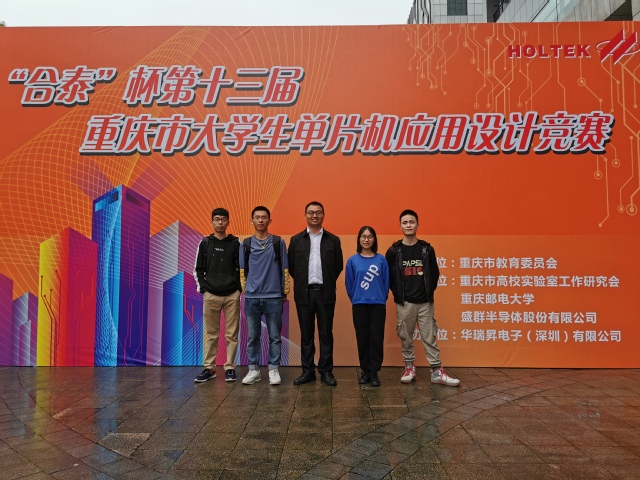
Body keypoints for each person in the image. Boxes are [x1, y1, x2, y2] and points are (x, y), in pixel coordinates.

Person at [385, 209, 460, 387]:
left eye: (411, 222)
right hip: (404, 303)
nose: (408, 225)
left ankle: (436, 371)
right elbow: (389, 276)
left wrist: (427, 293)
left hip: (425, 302)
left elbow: (434, 274)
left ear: (417, 225)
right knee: (406, 337)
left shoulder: (426, 249)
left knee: (430, 337)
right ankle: (409, 368)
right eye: (405, 222)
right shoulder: (394, 250)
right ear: (400, 226)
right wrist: (398, 294)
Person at [288, 201, 343, 386]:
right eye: (311, 212)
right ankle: (308, 371)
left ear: (323, 215)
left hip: (325, 293)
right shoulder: (296, 240)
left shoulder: (333, 240)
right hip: (304, 294)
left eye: (318, 212)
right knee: (306, 334)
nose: (314, 215)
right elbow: (292, 268)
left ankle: (326, 371)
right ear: (305, 215)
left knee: (326, 333)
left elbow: (338, 266)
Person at [239, 206, 290, 386]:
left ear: (270, 220)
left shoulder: (278, 242)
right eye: (257, 217)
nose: (260, 220)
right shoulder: (245, 244)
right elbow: (242, 270)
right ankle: (253, 370)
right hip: (252, 298)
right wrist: (247, 291)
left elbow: (285, 269)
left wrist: (284, 292)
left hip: (273, 297)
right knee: (253, 336)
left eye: (264, 217)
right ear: (251, 220)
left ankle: (273, 369)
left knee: (275, 336)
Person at [193, 208, 241, 383]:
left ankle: (230, 368)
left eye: (223, 219)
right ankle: (209, 368)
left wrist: (238, 289)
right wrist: (204, 289)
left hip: (232, 294)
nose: (220, 222)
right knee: (211, 334)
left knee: (232, 334)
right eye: (217, 219)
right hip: (211, 294)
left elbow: (242, 268)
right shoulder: (205, 243)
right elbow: (198, 269)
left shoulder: (235, 243)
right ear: (212, 222)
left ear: (228, 222)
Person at [345, 226, 389, 387]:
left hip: (378, 304)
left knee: (376, 338)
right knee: (362, 338)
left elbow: (386, 282)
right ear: (359, 239)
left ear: (374, 239)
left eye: (370, 236)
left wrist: (380, 297)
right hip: (359, 304)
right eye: (363, 236)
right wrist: (357, 297)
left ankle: (374, 371)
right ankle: (365, 371)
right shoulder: (352, 260)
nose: (366, 239)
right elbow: (349, 284)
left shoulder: (381, 259)